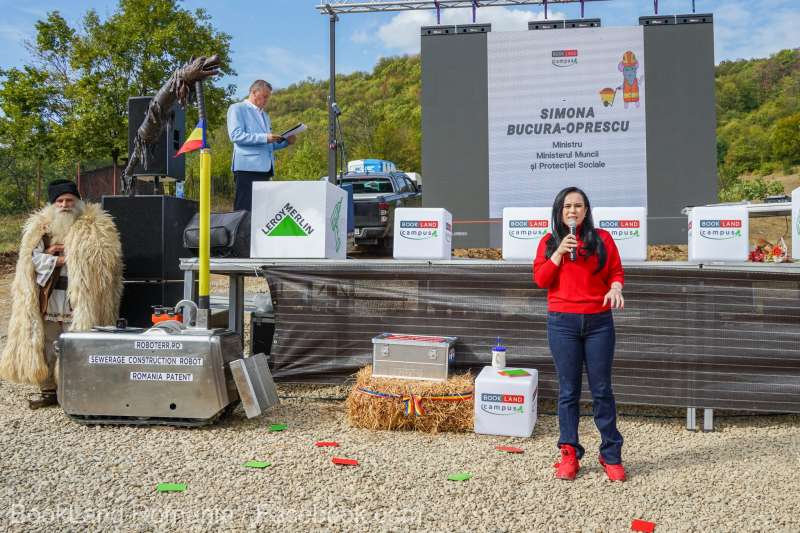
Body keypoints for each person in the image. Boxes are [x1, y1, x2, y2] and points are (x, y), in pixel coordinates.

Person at [0, 179, 123, 409]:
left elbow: (106, 260)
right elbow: (30, 260)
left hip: (81, 298)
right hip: (48, 297)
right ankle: (48, 390)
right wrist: (55, 257)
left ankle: (74, 389)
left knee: (76, 342)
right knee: (46, 342)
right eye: (60, 201)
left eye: (69, 200)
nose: (65, 205)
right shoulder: (40, 228)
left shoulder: (96, 225)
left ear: (78, 201)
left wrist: (72, 255)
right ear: (53, 204)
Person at [533, 186, 626, 482]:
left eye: (578, 206)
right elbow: (541, 279)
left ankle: (610, 454)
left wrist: (615, 288)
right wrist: (559, 253)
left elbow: (616, 272)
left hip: (599, 322)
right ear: (559, 212)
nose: (573, 211)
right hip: (563, 323)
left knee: (602, 391)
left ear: (586, 211)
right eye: (567, 206)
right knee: (568, 391)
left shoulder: (603, 239)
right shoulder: (549, 242)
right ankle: (569, 453)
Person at [227, 79, 296, 212]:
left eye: (268, 97)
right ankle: (240, 234)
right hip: (247, 168)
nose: (266, 100)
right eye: (264, 96)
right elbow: (236, 135)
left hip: (265, 170)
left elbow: (267, 145)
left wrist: (286, 142)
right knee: (244, 211)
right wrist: (265, 137)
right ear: (253, 92)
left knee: (261, 213)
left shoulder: (265, 116)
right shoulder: (237, 108)